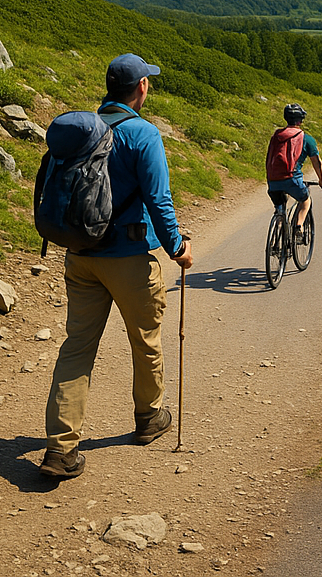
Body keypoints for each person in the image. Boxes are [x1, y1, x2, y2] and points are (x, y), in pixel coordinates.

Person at [40, 54, 193, 480]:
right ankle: (148, 420)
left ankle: (60, 451)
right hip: (128, 258)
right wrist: (178, 248)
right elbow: (159, 201)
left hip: (80, 256)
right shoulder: (143, 135)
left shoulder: (80, 131)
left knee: (77, 348)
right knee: (145, 340)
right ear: (141, 87)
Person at [266, 104, 322, 232]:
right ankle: (299, 226)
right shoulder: (306, 138)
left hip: (273, 181)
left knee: (280, 206)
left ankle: (279, 226)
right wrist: (321, 180)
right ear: (301, 120)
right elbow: (317, 163)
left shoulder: (276, 136)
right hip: (292, 179)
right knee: (305, 200)